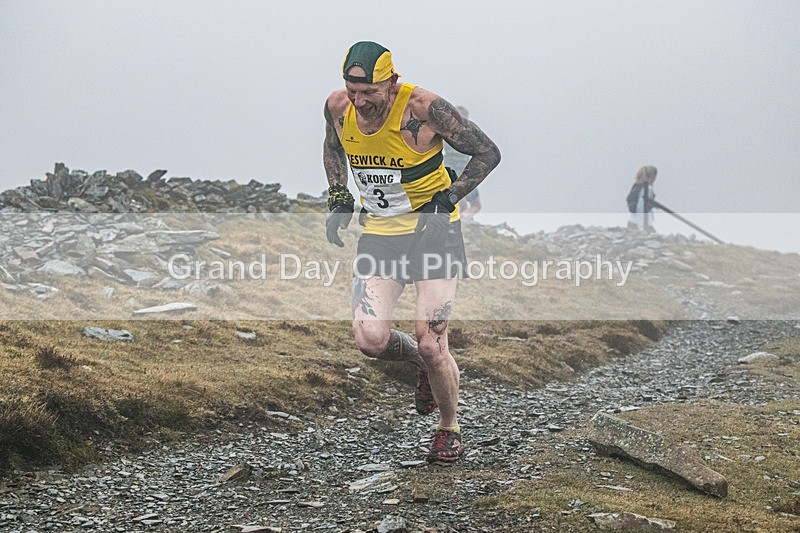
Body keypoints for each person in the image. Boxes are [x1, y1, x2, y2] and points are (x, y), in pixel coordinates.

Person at [322, 41, 500, 464]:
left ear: (392, 82)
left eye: (370, 93)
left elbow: (488, 152)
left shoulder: (424, 108)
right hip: (381, 236)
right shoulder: (336, 106)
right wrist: (337, 196)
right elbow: (333, 148)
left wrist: (449, 197)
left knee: (432, 342)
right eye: (353, 91)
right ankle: (421, 367)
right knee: (370, 340)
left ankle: (449, 428)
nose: (361, 102)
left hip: (433, 233)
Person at [443, 106, 482, 222]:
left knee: (460, 202)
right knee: (476, 204)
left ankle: (462, 220)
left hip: (448, 167)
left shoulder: (446, 132)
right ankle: (463, 220)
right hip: (464, 169)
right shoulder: (469, 133)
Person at [626, 165, 657, 231]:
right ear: (652, 177)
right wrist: (642, 226)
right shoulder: (648, 189)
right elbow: (641, 206)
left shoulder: (636, 187)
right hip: (641, 223)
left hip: (632, 221)